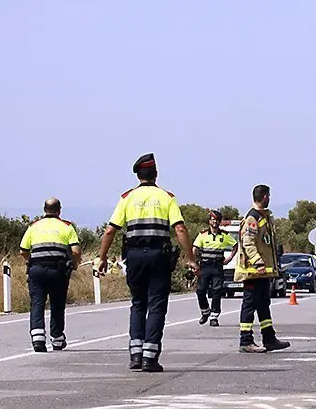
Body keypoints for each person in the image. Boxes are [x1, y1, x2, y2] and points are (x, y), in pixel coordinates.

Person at [97, 153, 199, 372]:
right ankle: (150, 357)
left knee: (138, 303)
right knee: (156, 305)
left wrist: (102, 258)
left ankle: (135, 355)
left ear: (138, 176)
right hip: (158, 257)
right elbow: (180, 229)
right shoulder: (167, 197)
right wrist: (190, 258)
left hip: (133, 257)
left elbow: (109, 231)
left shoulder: (127, 198)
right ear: (156, 173)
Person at [19, 198, 82, 352]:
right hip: (58, 272)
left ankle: (38, 339)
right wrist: (74, 263)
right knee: (57, 304)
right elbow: (75, 250)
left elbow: (23, 250)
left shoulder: (34, 227)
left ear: (44, 209)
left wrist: (30, 262)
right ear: (59, 210)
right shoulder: (66, 227)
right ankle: (57, 339)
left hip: (36, 270)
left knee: (37, 303)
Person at [235, 184, 290, 353]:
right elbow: (248, 243)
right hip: (253, 272)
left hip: (263, 272)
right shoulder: (253, 218)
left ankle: (269, 338)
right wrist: (258, 262)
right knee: (249, 305)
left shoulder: (263, 216)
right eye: (269, 196)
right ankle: (246, 341)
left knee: (264, 304)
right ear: (265, 196)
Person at [193, 209, 237, 327]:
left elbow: (235, 245)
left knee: (217, 292)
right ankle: (205, 311)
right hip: (205, 266)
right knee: (200, 291)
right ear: (209, 221)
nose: (215, 222)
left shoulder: (224, 236)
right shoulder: (202, 235)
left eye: (217, 220)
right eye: (213, 220)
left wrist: (230, 258)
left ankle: (214, 317)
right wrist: (193, 262)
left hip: (217, 267)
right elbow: (195, 249)